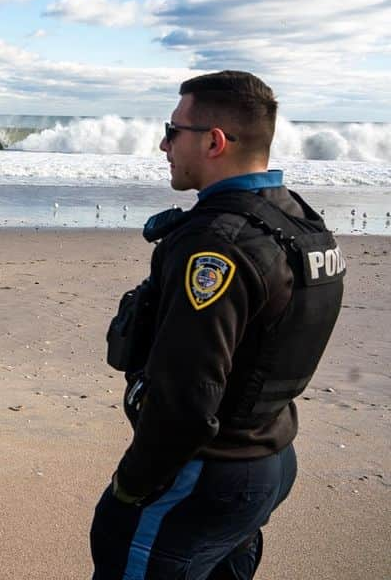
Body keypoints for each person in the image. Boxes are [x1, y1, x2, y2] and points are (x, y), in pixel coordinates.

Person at [91, 70, 346, 579]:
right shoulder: (300, 222)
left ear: (215, 141)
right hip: (268, 456)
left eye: (173, 130)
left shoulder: (216, 244)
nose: (163, 144)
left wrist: (132, 483)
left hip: (205, 471)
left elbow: (187, 397)